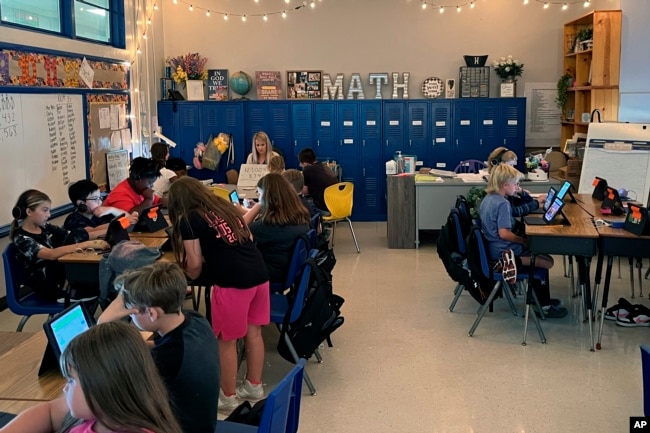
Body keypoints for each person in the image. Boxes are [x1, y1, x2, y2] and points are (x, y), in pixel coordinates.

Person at [167, 176, 270, 412]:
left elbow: (193, 266)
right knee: (253, 333)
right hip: (259, 274)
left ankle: (227, 397)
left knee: (226, 340)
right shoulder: (224, 207)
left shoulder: (189, 219)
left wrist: (189, 266)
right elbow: (249, 238)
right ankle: (254, 386)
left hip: (232, 282)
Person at [98, 262, 219, 433]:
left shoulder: (165, 360)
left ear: (152, 313)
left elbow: (119, 391)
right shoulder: (196, 321)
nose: (131, 315)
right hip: (203, 423)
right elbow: (161, 346)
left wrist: (102, 323)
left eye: (132, 311)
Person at [0, 321, 182, 433]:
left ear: (102, 386)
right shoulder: (100, 415)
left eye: (71, 380)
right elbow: (48, 412)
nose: (64, 388)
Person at [479, 164, 567, 319]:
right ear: (505, 185)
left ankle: (540, 299)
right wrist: (523, 241)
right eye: (515, 184)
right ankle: (543, 306)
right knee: (547, 262)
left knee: (539, 255)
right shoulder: (503, 204)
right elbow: (504, 233)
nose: (517, 188)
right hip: (504, 251)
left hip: (493, 248)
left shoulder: (488, 199)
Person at [10, 189, 109, 302]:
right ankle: (68, 291)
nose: (49, 215)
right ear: (29, 212)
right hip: (47, 286)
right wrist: (87, 244)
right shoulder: (22, 239)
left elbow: (72, 234)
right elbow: (51, 254)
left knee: (70, 236)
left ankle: (76, 286)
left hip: (57, 275)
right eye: (45, 210)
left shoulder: (44, 227)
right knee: (72, 241)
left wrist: (109, 227)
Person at [248, 173, 310, 282]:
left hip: (270, 273)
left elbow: (239, 231)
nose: (259, 198)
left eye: (260, 194)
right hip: (288, 270)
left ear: (268, 197)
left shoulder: (267, 225)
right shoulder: (299, 215)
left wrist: (257, 206)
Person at [64, 179, 138, 238]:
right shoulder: (73, 219)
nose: (99, 202)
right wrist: (121, 223)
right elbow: (90, 233)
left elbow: (130, 219)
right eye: (95, 199)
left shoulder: (101, 213)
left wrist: (112, 210)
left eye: (100, 198)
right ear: (81, 203)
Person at [487, 146, 546, 217]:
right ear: (498, 164)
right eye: (510, 165)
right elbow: (514, 211)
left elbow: (521, 204)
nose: (512, 168)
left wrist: (522, 192)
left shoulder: (506, 187)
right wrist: (537, 202)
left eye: (513, 165)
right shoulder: (498, 188)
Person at [298, 147, 337, 213]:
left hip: (323, 206)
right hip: (335, 204)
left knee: (299, 204)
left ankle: (308, 223)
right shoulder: (324, 166)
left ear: (304, 163)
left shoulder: (307, 169)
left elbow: (305, 191)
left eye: (301, 164)